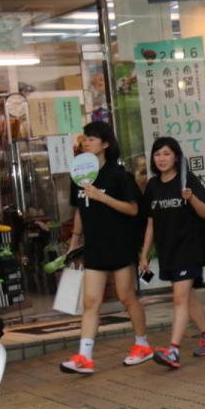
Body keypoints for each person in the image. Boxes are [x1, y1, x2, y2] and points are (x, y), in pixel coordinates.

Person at [60, 122, 152, 376]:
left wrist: (103, 197)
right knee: (90, 302)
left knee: (126, 297)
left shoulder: (119, 176)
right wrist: (74, 241)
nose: (86, 142)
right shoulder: (78, 175)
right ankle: (84, 356)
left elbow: (133, 209)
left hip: (120, 244)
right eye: (85, 139)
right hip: (95, 246)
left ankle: (142, 344)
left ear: (105, 144)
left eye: (92, 138)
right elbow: (79, 210)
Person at [139, 138, 205, 370]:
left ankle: (173, 350)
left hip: (189, 248)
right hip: (168, 250)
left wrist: (191, 197)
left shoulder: (187, 181)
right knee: (188, 297)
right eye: (157, 154)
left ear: (176, 157)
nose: (162, 158)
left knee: (179, 299)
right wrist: (144, 254)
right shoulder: (153, 186)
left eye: (167, 154)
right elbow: (150, 223)